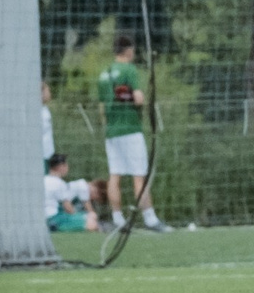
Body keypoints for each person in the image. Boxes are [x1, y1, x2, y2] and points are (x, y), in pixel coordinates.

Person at [94, 34, 168, 234]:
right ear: (128, 50)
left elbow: (102, 106)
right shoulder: (129, 70)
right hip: (130, 129)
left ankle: (118, 219)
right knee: (139, 176)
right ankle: (150, 218)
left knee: (115, 175)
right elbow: (138, 98)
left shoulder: (105, 73)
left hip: (112, 131)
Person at [45, 152, 97, 231]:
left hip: (42, 218)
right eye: (66, 165)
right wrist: (77, 216)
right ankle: (56, 227)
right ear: (60, 167)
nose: (67, 168)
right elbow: (68, 208)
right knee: (91, 221)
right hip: (55, 217)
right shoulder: (59, 183)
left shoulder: (43, 180)